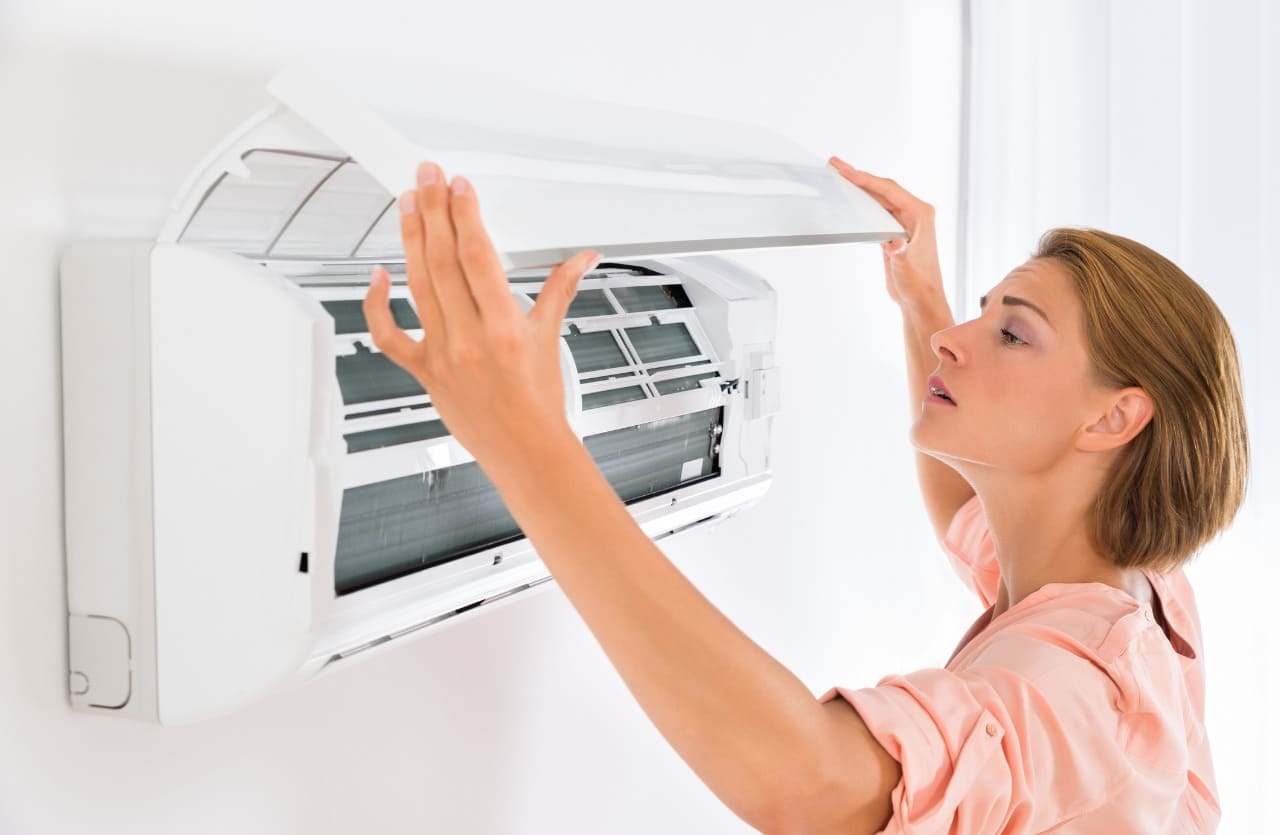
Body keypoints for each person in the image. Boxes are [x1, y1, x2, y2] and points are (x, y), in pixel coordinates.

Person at [361, 158, 1248, 833]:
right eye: (980, 310)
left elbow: (815, 779)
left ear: (1114, 418)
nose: (954, 338)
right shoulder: (1129, 587)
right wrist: (918, 300)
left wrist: (528, 443)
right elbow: (967, 515)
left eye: (1012, 332)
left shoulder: (1093, 690)